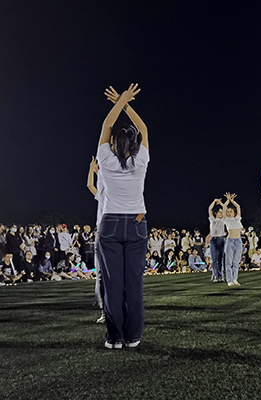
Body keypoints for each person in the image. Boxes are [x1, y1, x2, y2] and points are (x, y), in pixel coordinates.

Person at [97, 83, 149, 349]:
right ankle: (133, 336)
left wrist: (119, 103)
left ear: (114, 143)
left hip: (110, 224)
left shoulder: (105, 159)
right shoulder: (140, 161)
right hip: (136, 223)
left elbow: (107, 124)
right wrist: (126, 102)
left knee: (112, 284)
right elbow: (144, 129)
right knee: (134, 284)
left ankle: (115, 337)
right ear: (135, 144)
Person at [87, 155, 106, 324]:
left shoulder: (106, 192)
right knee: (105, 273)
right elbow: (90, 186)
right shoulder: (104, 194)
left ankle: (104, 311)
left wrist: (94, 170)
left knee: (101, 274)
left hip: (103, 230)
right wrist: (94, 170)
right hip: (108, 230)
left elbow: (90, 185)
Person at [223, 192, 244, 287]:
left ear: (234, 213)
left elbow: (238, 207)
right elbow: (224, 207)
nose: (229, 213)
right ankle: (229, 280)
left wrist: (232, 201)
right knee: (229, 262)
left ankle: (235, 279)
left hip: (238, 241)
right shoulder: (226, 219)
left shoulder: (237, 218)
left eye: (231, 211)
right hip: (230, 241)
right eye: (228, 212)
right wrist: (228, 200)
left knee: (236, 262)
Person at [208, 199, 226, 282]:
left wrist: (221, 203)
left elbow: (225, 208)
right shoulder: (212, 219)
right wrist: (215, 201)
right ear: (216, 213)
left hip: (221, 239)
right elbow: (210, 208)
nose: (221, 214)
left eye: (222, 212)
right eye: (219, 212)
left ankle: (220, 276)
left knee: (220, 259)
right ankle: (216, 275)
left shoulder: (223, 220)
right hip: (214, 240)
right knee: (214, 259)